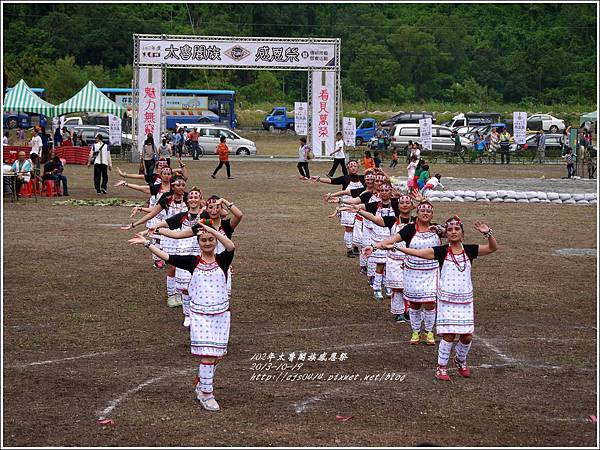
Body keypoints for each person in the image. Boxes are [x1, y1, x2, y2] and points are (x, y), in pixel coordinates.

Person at [128, 220, 235, 412]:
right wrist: (147, 244)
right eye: (204, 240)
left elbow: (230, 245)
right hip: (200, 315)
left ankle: (202, 381)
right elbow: (168, 257)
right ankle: (206, 393)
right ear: (198, 243)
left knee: (218, 354)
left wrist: (211, 230)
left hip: (220, 315)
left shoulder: (223, 260)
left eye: (211, 240)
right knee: (208, 356)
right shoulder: (192, 261)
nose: (208, 243)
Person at [395, 216, 497, 381]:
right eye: (450, 230)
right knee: (448, 335)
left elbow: (492, 248)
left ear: (462, 233)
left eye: (457, 229)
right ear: (446, 233)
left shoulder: (470, 250)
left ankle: (460, 361)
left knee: (467, 336)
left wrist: (488, 234)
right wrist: (398, 248)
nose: (453, 232)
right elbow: (419, 253)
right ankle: (441, 368)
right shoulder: (441, 251)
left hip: (465, 300)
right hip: (447, 300)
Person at [365, 199, 442, 345]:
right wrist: (374, 247)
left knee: (430, 303)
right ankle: (415, 332)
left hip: (431, 272)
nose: (425, 213)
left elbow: (454, 235)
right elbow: (390, 241)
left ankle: (429, 332)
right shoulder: (409, 229)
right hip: (413, 271)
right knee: (415, 304)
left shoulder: (437, 229)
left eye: (428, 211)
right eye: (422, 211)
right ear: (417, 213)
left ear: (432, 215)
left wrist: (444, 230)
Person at [312, 160, 365, 257]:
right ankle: (349, 249)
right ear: (348, 168)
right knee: (349, 228)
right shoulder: (345, 178)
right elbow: (332, 181)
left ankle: (356, 246)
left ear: (358, 167)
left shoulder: (363, 178)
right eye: (351, 166)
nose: (353, 167)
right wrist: (319, 179)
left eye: (355, 166)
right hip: (347, 205)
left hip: (359, 205)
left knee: (359, 228)